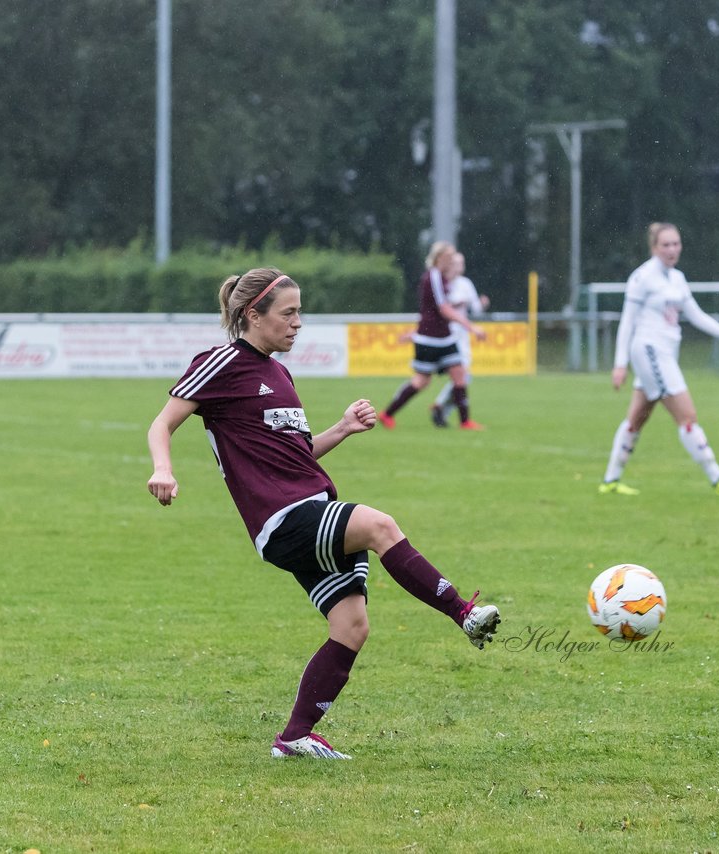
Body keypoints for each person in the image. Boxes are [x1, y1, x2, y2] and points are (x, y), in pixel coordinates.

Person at [146, 267, 501, 759]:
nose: (298, 323)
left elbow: (296, 455)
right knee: (380, 526)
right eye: (288, 313)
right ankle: (464, 613)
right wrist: (163, 470)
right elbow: (162, 424)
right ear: (254, 314)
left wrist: (341, 428)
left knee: (352, 626)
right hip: (282, 519)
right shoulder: (221, 362)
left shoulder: (279, 372)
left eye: (299, 312)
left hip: (311, 506)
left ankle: (294, 737)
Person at [599, 222, 719, 497]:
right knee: (687, 416)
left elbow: (695, 315)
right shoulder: (643, 277)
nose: (672, 250)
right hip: (649, 351)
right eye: (665, 245)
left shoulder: (677, 278)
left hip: (665, 353)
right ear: (654, 248)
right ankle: (717, 478)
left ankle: (610, 480)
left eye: (676, 243)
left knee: (636, 418)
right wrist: (620, 364)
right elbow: (627, 322)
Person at [377, 241, 485, 430]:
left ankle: (465, 421)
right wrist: (471, 327)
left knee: (459, 375)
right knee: (421, 382)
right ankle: (387, 414)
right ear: (440, 257)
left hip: (445, 337)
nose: (452, 261)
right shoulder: (434, 276)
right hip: (430, 339)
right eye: (449, 257)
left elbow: (437, 309)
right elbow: (443, 309)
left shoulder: (442, 278)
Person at [430, 251, 489, 428]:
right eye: (456, 263)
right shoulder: (442, 283)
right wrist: (456, 305)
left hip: (461, 336)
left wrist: (482, 304)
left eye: (461, 263)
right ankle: (443, 408)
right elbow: (440, 308)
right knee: (459, 377)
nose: (459, 266)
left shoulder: (465, 283)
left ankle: (441, 409)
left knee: (463, 377)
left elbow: (476, 309)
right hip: (445, 335)